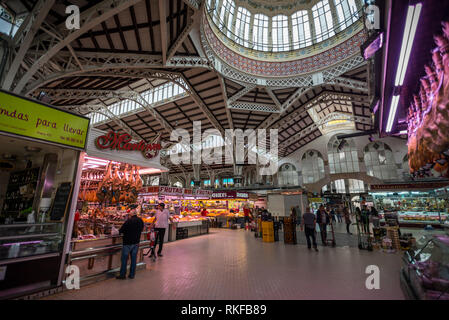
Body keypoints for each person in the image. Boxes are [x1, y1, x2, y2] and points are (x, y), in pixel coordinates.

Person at [117, 209, 144, 279]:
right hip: (136, 243)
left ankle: (122, 275)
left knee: (124, 259)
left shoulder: (128, 221)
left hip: (127, 243)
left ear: (131, 215)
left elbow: (121, 230)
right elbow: (142, 229)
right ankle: (132, 275)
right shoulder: (140, 221)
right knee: (133, 259)